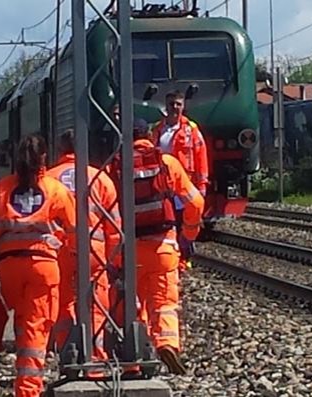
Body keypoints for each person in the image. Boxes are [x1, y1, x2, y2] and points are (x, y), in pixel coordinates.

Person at [0, 135, 77, 397]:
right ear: (44, 159)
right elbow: (75, 231)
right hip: (42, 269)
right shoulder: (55, 190)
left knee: (22, 325)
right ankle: (28, 391)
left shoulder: (4, 188)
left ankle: (24, 379)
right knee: (34, 334)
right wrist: (62, 244)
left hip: (9, 269)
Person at [114, 117, 204, 375]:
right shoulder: (167, 164)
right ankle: (166, 343)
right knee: (164, 302)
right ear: (149, 136)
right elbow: (195, 203)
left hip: (129, 249)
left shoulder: (116, 167)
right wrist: (188, 233)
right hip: (163, 247)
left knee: (133, 304)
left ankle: (135, 358)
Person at [46, 130, 121, 360]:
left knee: (62, 299)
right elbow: (115, 227)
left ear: (60, 150)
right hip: (94, 251)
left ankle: (68, 349)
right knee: (96, 303)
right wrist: (116, 261)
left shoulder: (48, 179)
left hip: (60, 250)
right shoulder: (100, 178)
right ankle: (96, 354)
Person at [151, 91, 208, 267]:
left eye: (178, 104)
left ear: (183, 106)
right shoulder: (158, 130)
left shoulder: (191, 130)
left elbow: (201, 158)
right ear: (165, 107)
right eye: (171, 104)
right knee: (168, 222)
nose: (174, 108)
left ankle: (184, 259)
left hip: (184, 184)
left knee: (187, 223)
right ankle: (172, 259)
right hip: (164, 186)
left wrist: (202, 186)